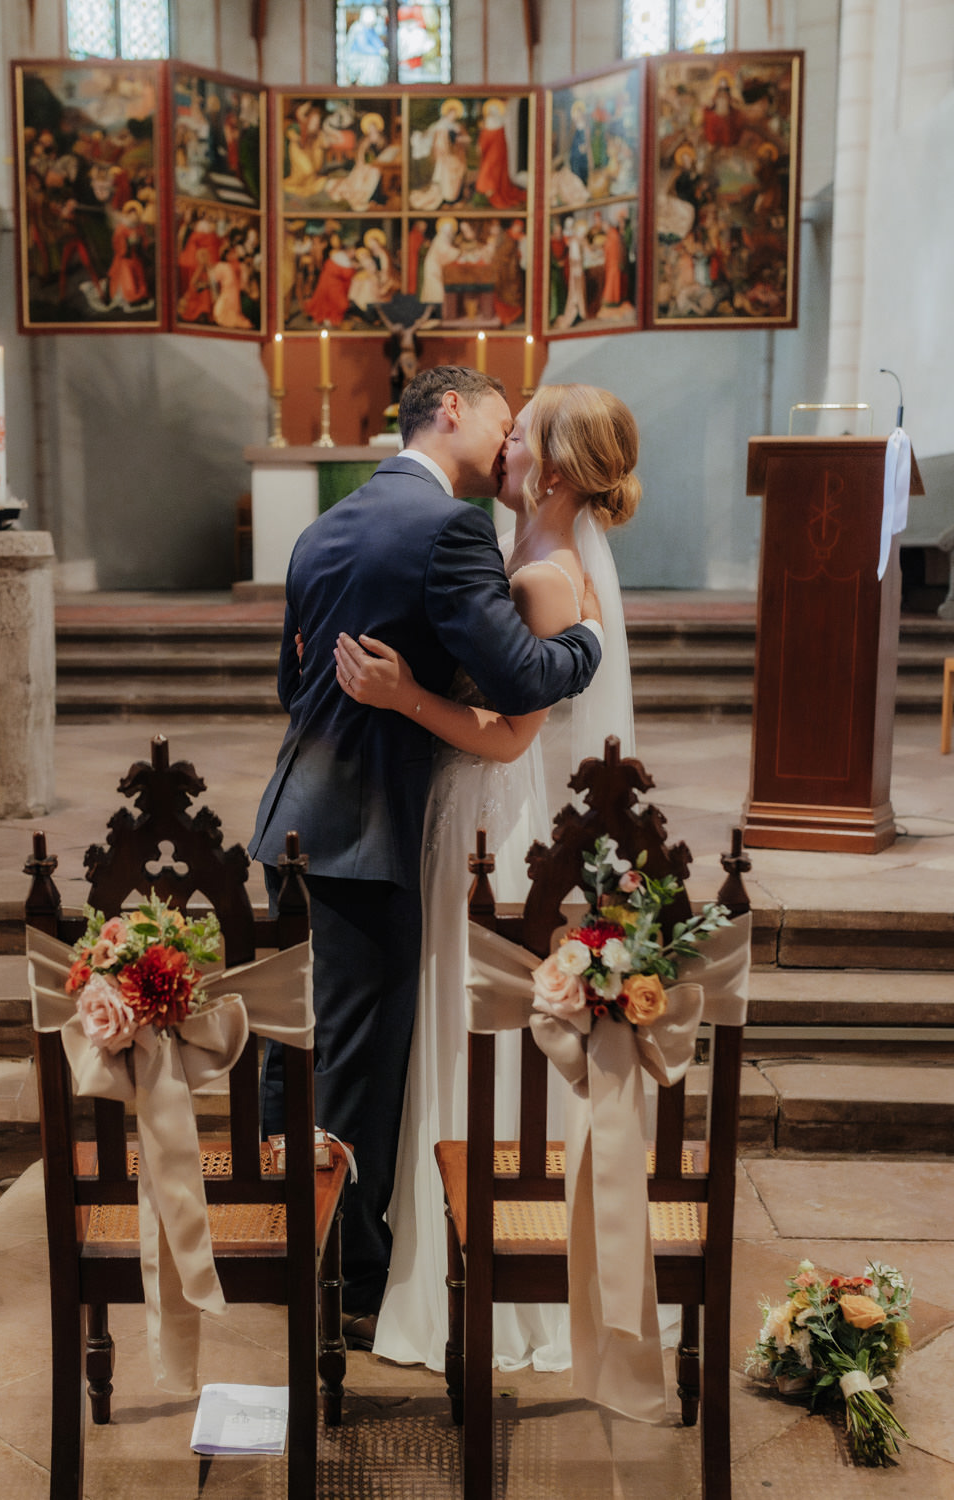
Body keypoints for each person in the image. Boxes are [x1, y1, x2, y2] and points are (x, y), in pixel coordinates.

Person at [247, 367, 604, 1341]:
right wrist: (589, 644)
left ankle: (291, 1236)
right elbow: (523, 677)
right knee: (356, 1063)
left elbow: (290, 684)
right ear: (452, 409)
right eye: (502, 419)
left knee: (301, 1046)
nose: (507, 439)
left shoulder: (325, 527)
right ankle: (347, 1282)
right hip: (367, 831)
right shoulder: (449, 528)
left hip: (297, 818)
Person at [333, 385, 639, 1371]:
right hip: (458, 811)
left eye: (520, 434)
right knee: (447, 1017)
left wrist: (401, 694)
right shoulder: (519, 551)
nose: (503, 446)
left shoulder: (545, 577)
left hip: (483, 818)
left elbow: (509, 739)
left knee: (468, 1026)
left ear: (554, 466)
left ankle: (469, 1261)